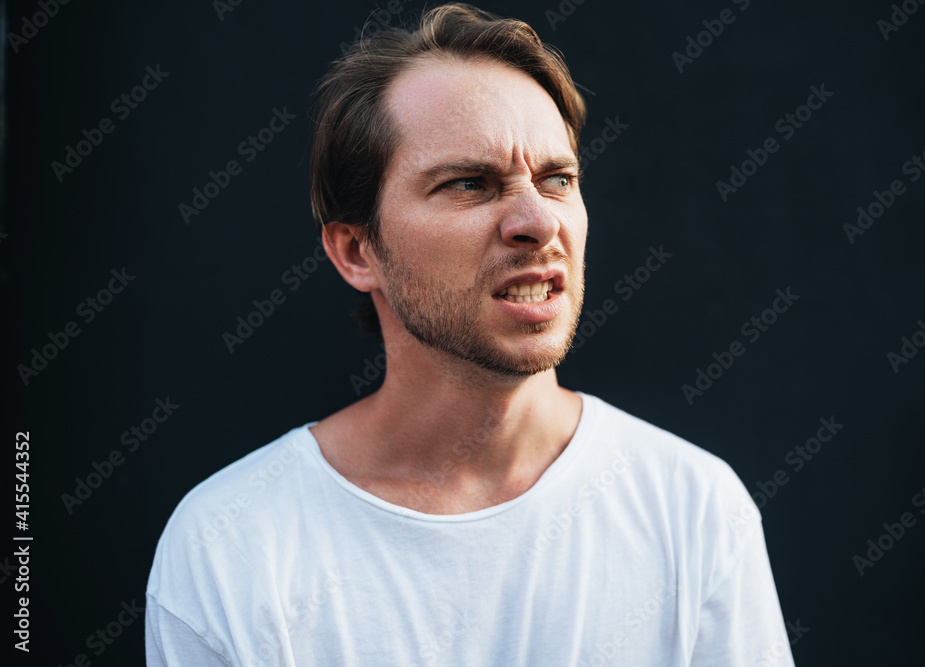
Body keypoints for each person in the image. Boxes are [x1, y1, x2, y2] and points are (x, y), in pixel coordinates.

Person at [144, 3, 795, 665]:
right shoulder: (230, 545)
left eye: (558, 179)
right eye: (470, 183)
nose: (538, 222)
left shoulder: (694, 513)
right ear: (356, 250)